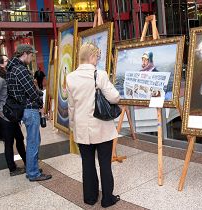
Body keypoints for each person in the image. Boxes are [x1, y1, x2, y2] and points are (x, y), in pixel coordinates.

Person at [67, 43, 120, 208]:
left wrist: (72, 126)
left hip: (81, 128)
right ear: (91, 56)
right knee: (105, 163)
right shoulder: (100, 74)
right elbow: (114, 97)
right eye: (97, 56)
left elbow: (71, 106)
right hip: (101, 127)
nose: (97, 60)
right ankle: (107, 199)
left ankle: (90, 198)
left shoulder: (70, 77)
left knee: (87, 163)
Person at [6, 44, 52, 181]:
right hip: (29, 109)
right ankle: (33, 173)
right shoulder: (20, 69)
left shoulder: (12, 68)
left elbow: (26, 88)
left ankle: (32, 168)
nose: (32, 58)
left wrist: (37, 93)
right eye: (31, 55)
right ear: (25, 53)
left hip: (23, 108)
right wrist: (41, 103)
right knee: (33, 142)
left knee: (32, 141)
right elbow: (31, 91)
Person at [0, 55, 26, 176]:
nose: (8, 61)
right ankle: (12, 169)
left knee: (19, 139)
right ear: (1, 65)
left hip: (11, 115)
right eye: (6, 61)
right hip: (5, 116)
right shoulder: (0, 80)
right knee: (9, 142)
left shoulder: (5, 76)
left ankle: (26, 163)